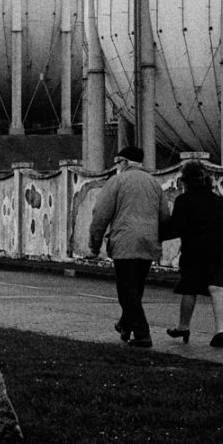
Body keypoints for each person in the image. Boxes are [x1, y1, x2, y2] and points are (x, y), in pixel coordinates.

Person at [88, 146, 170, 348]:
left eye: (118, 162)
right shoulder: (154, 183)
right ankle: (125, 325)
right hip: (148, 243)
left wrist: (95, 244)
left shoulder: (117, 181)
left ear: (124, 162)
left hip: (125, 241)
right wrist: (157, 240)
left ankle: (142, 334)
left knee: (126, 290)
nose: (117, 166)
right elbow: (165, 216)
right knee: (136, 288)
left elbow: (100, 214)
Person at [161, 160, 223, 348]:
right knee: (217, 289)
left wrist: (158, 234)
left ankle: (183, 326)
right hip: (221, 251)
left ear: (185, 181)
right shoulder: (219, 201)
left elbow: (176, 227)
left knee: (189, 288)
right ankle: (220, 330)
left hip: (195, 252)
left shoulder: (184, 201)